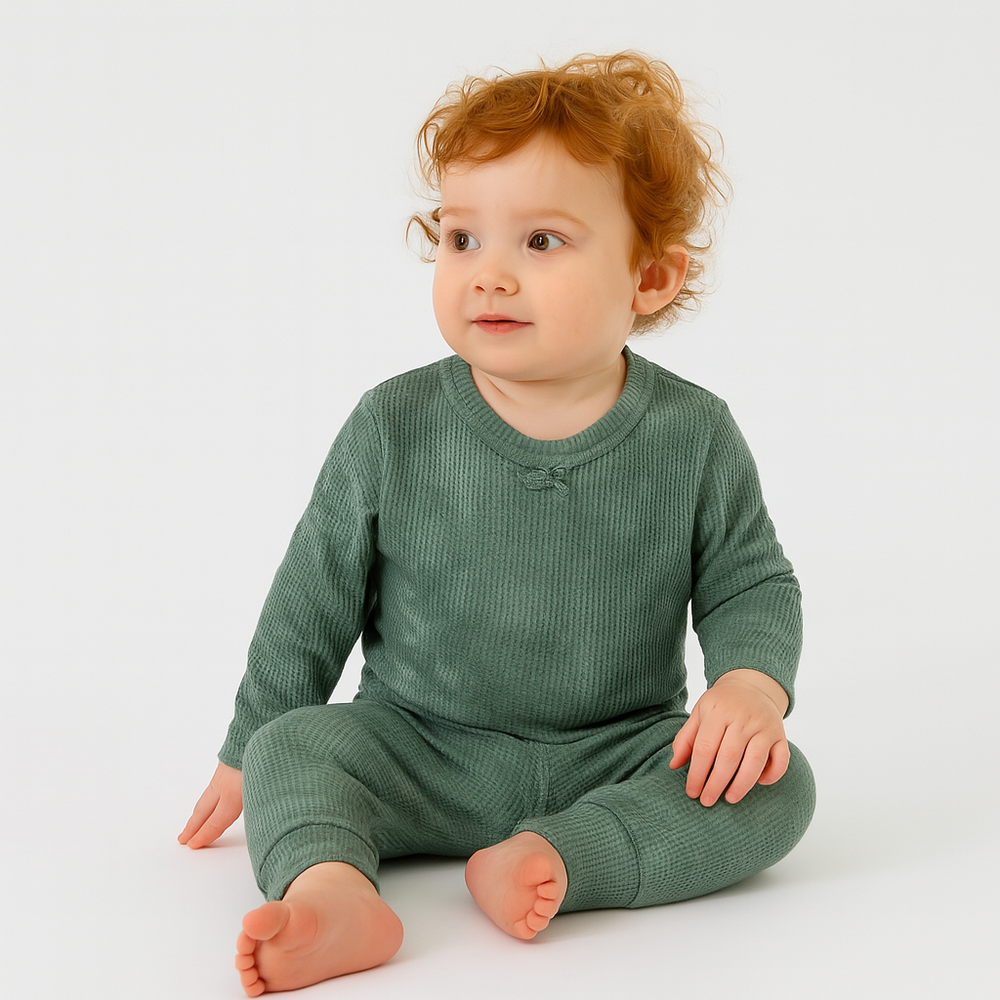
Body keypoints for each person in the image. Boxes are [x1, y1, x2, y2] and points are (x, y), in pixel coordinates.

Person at [178, 51, 816, 997]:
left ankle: (560, 858)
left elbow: (751, 582)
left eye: (542, 243)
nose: (489, 277)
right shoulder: (393, 424)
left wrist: (753, 689)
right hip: (417, 745)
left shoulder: (694, 434)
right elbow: (312, 593)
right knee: (293, 751)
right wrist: (247, 747)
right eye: (462, 239)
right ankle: (335, 892)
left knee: (779, 785)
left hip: (616, 747)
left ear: (649, 276)